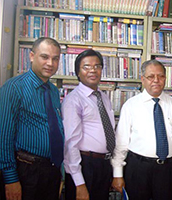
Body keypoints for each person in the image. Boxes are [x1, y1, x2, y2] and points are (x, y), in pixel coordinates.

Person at [0, 37, 64, 200]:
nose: (50, 63)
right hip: (26, 171)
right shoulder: (13, 88)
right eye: (45, 57)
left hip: (51, 170)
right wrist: (11, 179)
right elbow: (4, 137)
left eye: (55, 59)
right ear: (32, 56)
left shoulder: (53, 92)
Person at [111, 59, 172, 200]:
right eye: (151, 76)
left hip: (167, 169)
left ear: (165, 78)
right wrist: (118, 174)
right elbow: (121, 143)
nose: (156, 80)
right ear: (143, 79)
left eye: (160, 76)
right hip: (138, 168)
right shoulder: (131, 106)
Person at [62, 49, 115, 200]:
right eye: (86, 67)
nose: (93, 70)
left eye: (97, 66)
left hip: (103, 164)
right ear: (78, 72)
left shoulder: (103, 97)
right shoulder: (73, 100)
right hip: (84, 166)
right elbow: (71, 143)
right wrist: (79, 183)